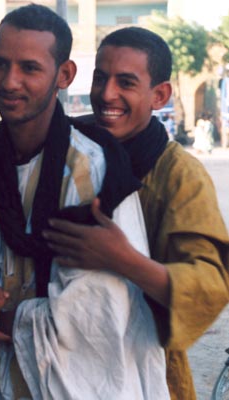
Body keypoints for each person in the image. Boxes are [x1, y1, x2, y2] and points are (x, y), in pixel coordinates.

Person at [0, 6, 171, 399]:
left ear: (64, 75)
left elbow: (97, 315)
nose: (9, 82)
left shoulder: (94, 172)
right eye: (0, 64)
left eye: (29, 68)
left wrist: (0, 322)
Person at [43, 27, 229, 400]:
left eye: (126, 82)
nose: (107, 93)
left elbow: (209, 287)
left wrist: (122, 259)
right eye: (100, 78)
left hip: (145, 374)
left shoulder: (178, 174)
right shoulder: (65, 146)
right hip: (55, 366)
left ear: (159, 95)